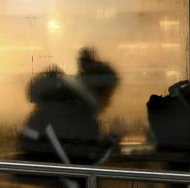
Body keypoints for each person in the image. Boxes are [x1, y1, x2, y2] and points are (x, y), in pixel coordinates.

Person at [17, 47, 119, 187]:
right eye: (109, 94)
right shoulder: (75, 113)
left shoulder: (61, 106)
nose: (109, 102)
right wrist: (113, 137)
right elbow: (84, 164)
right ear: (98, 93)